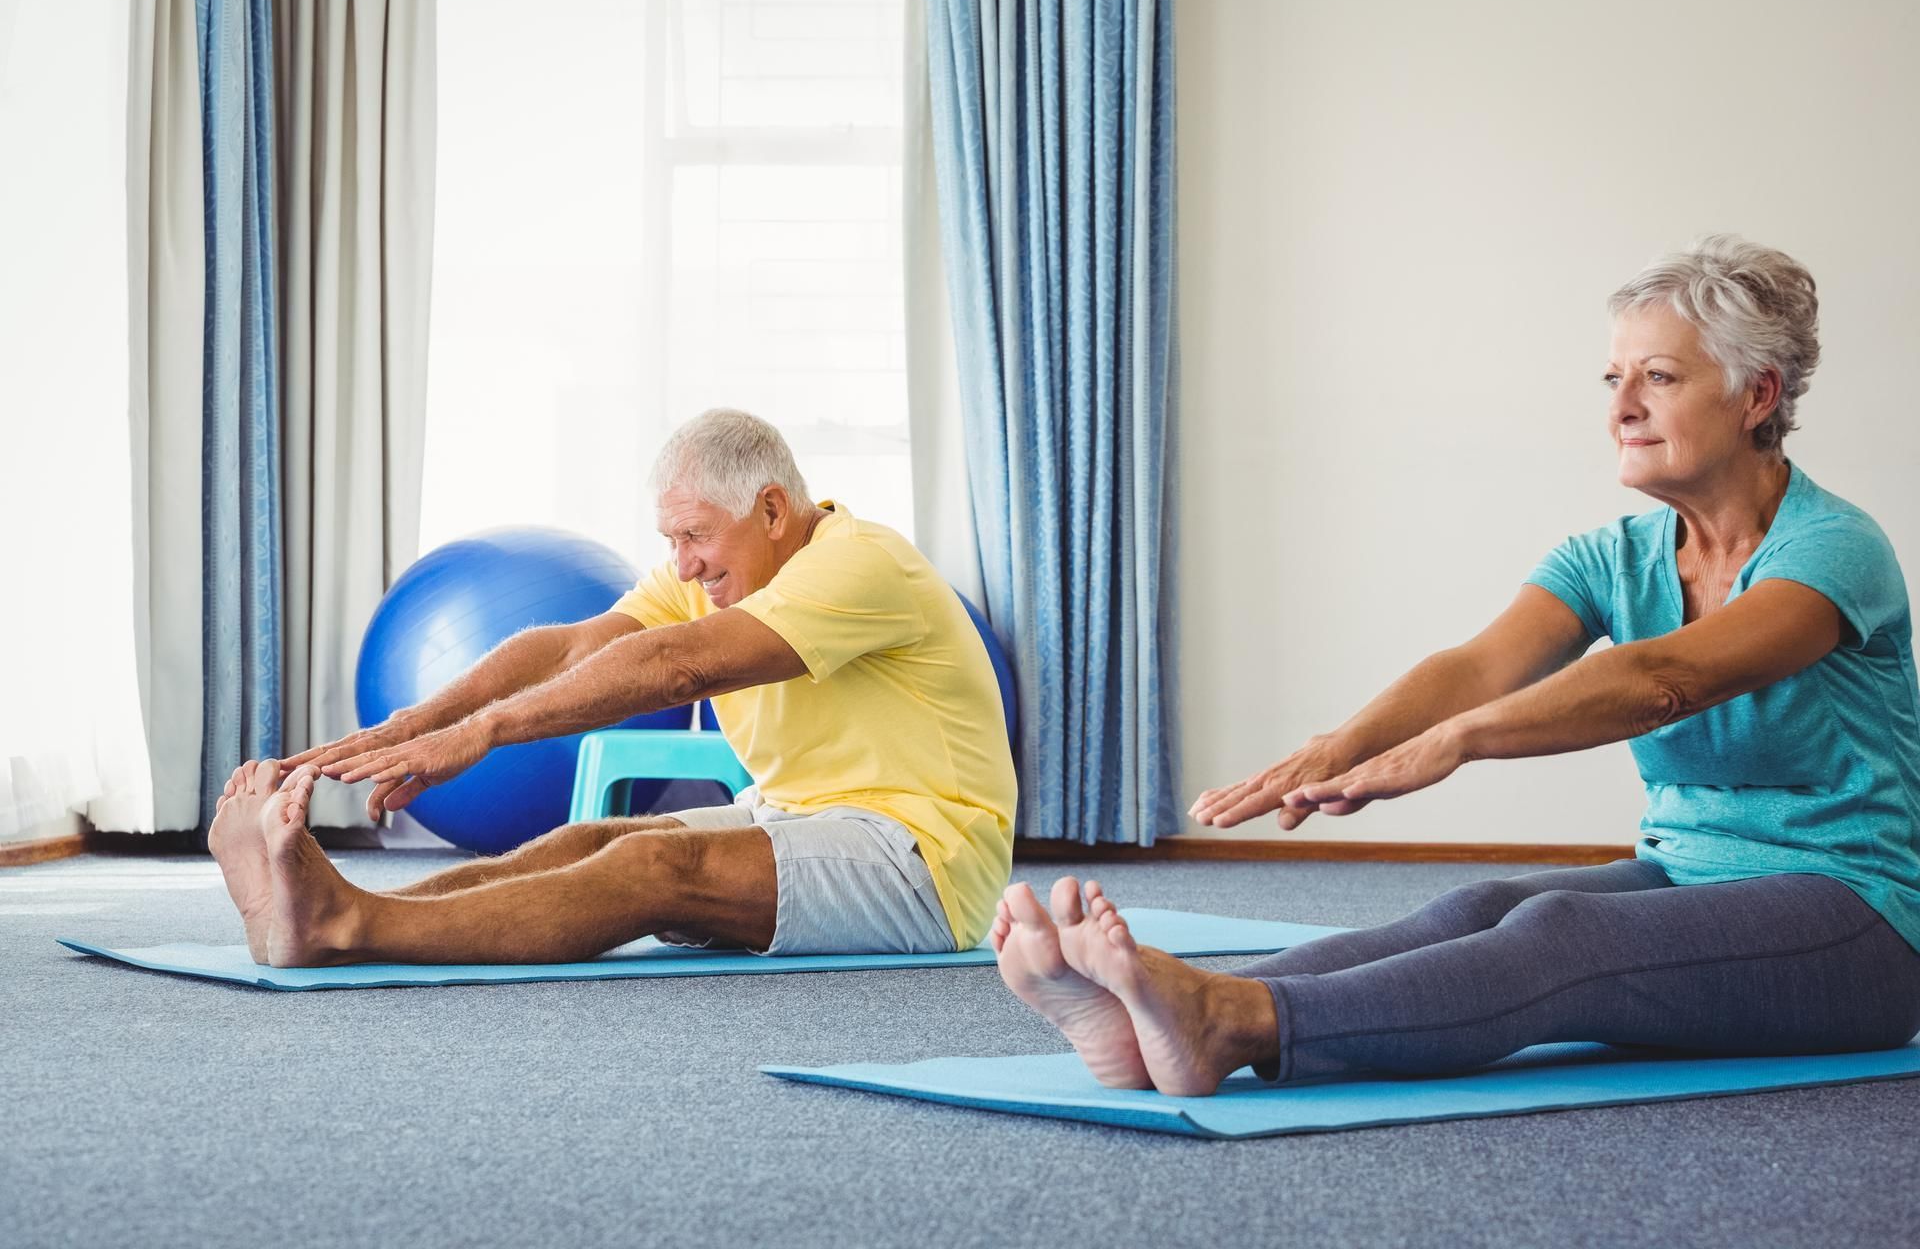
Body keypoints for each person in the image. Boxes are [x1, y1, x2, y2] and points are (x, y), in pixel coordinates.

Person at [993, 235, 1920, 1095]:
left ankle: (1234, 1024)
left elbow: (1667, 678)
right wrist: (1342, 746)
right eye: (1613, 377)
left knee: (1562, 937)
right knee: (1479, 905)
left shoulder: (1833, 549)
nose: (1621, 408)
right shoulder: (1616, 555)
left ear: (1758, 395)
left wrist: (1462, 743)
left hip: (1858, 923)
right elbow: (1480, 665)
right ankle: (1151, 1010)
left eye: (1659, 377)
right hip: (1685, 871)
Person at [206, 410, 1017, 968]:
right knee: (587, 840)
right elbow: (574, 646)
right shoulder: (710, 576)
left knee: (655, 865)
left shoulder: (859, 562)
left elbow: (678, 667)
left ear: (773, 510)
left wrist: (480, 736)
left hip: (925, 863)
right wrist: (415, 722)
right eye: (673, 540)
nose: (684, 563)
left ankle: (348, 926)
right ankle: (332, 903)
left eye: (697, 535)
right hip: (803, 816)